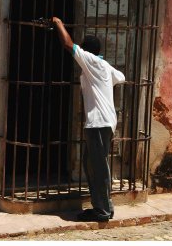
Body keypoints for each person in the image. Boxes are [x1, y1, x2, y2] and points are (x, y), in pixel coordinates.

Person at [52, 17, 125, 222]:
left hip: (99, 122)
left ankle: (102, 211)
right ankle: (104, 207)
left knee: (98, 167)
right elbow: (121, 77)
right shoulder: (104, 65)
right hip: (104, 122)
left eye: (83, 49)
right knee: (91, 164)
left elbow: (68, 44)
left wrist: (58, 23)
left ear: (88, 51)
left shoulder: (93, 61)